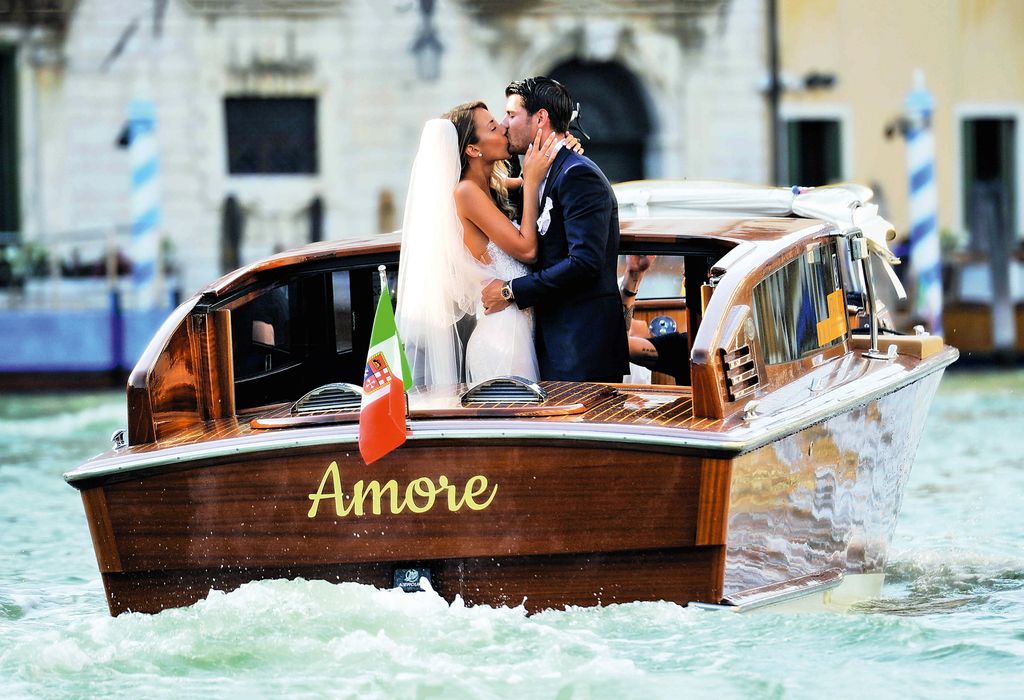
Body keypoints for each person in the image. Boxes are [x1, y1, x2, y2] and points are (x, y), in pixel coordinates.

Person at [395, 101, 576, 386]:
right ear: (472, 149)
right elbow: (527, 249)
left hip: (517, 333)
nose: (504, 128)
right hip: (502, 341)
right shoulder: (466, 192)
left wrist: (561, 148)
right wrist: (530, 182)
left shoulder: (490, 188)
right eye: (493, 126)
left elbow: (542, 176)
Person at [482, 77, 629, 382]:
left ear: (540, 118)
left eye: (511, 115)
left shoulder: (578, 175)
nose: (504, 124)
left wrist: (511, 291)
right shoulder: (538, 176)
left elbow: (584, 263)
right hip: (551, 345)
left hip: (580, 351)